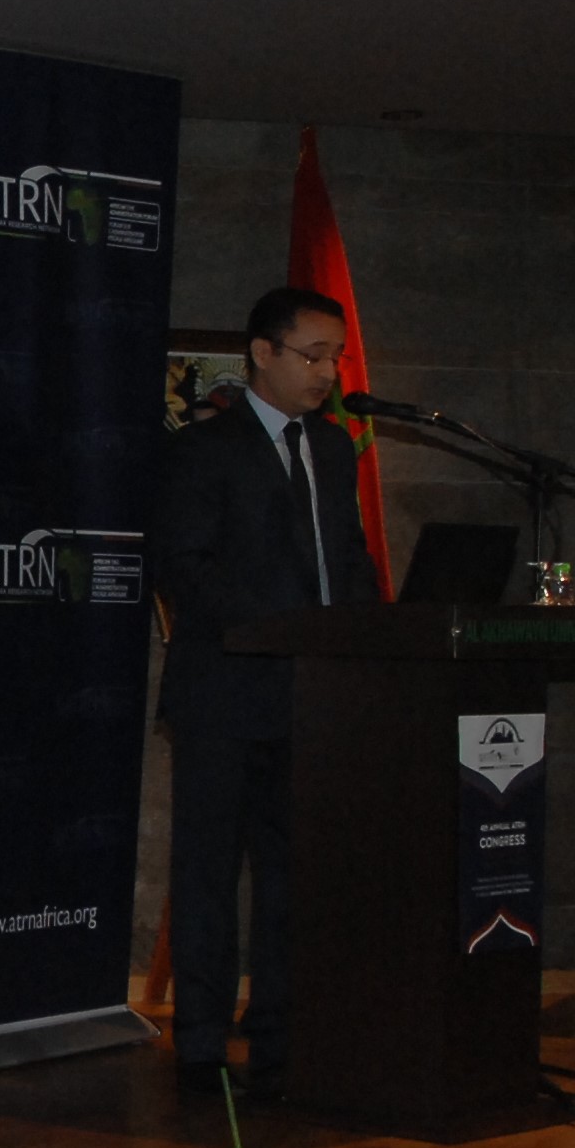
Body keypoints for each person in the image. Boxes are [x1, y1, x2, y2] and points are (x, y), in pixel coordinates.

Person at [150, 286, 384, 1101]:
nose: (327, 373)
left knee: (292, 877)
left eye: (335, 359)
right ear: (262, 353)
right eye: (313, 355)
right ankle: (201, 1040)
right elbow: (185, 566)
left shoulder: (334, 448)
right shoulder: (201, 449)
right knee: (210, 873)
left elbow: (347, 559)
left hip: (310, 698)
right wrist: (281, 625)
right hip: (224, 694)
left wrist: (365, 634)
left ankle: (281, 1031)